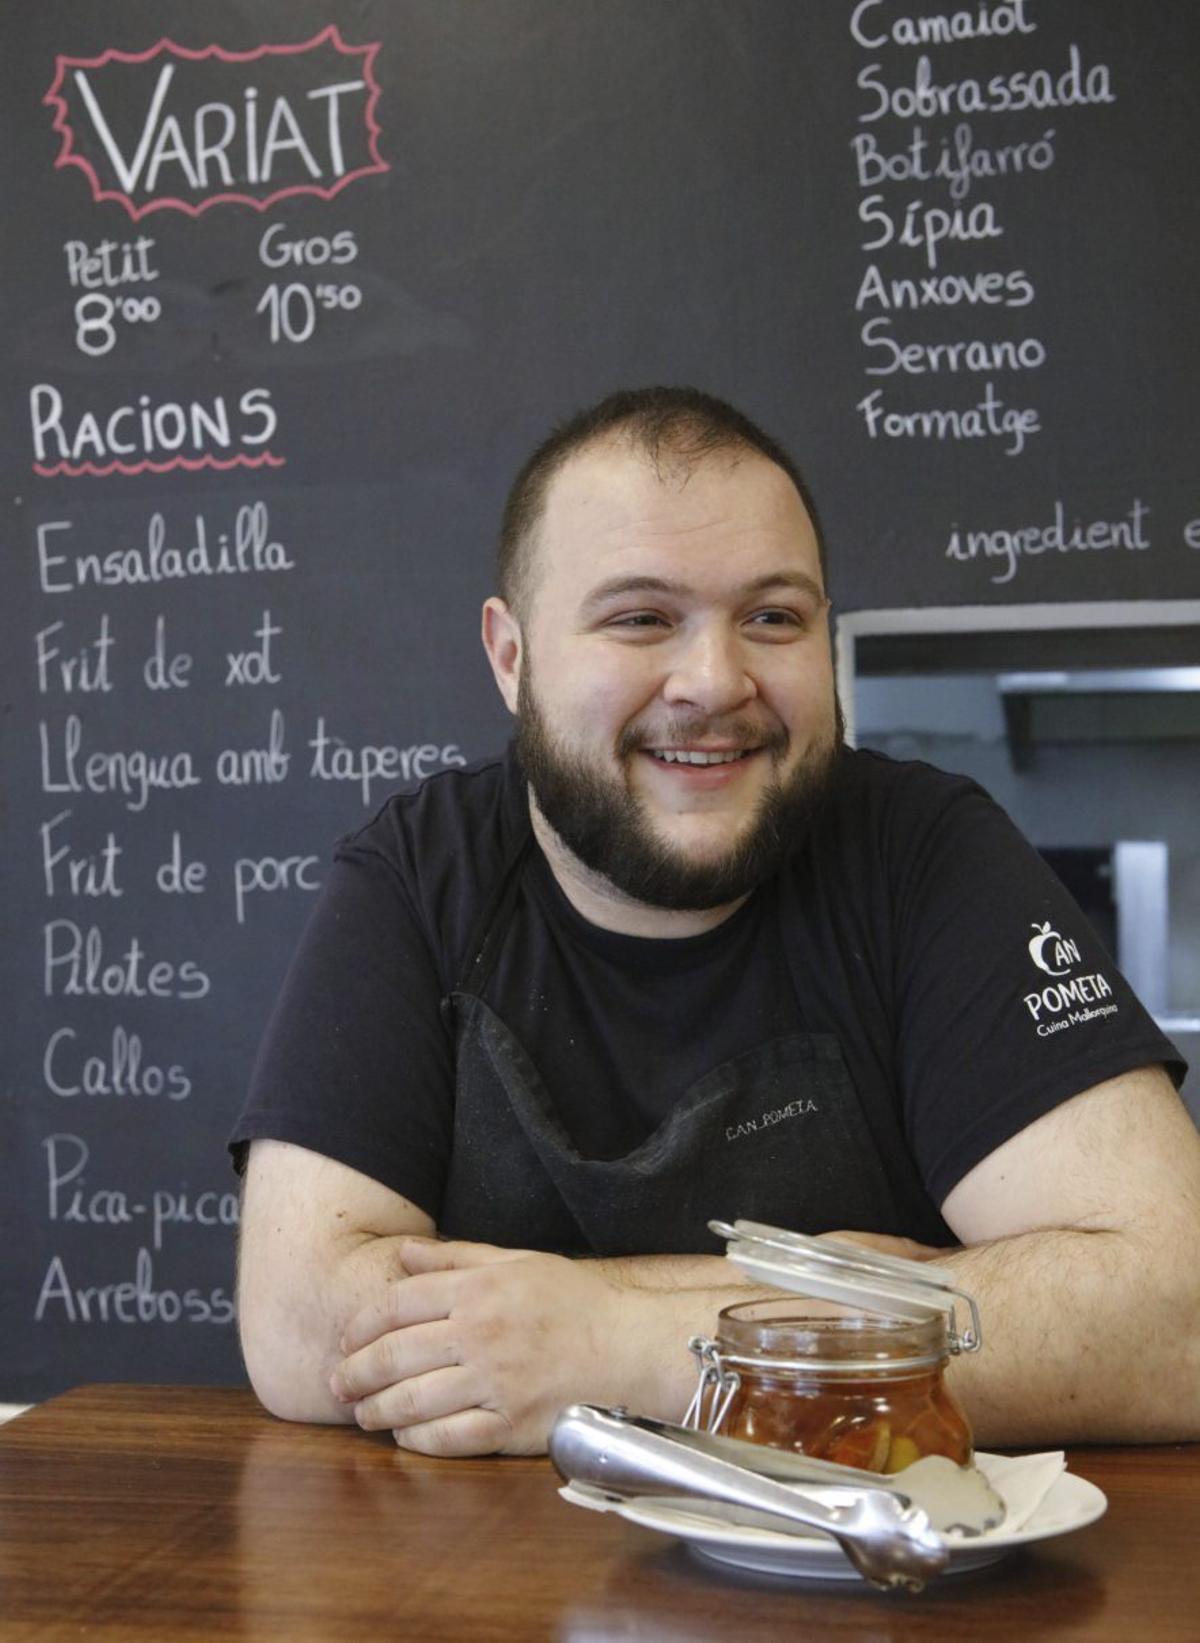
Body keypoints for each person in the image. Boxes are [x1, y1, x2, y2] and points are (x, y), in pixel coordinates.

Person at [231, 386, 1199, 1457]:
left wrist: (615, 1340)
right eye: (641, 618)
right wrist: (863, 1294)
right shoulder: (421, 874)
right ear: (512, 656)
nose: (714, 681)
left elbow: (1177, 1313)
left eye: (773, 617)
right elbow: (300, 1320)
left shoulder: (925, 854)